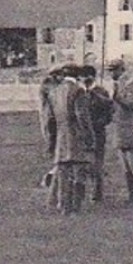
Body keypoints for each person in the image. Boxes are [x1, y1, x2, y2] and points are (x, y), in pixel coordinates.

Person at [49, 67, 96, 214]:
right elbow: (82, 116)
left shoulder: (55, 92)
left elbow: (51, 118)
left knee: (63, 173)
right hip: (76, 136)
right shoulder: (78, 91)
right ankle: (76, 207)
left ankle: (64, 206)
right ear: (78, 76)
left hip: (61, 137)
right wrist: (89, 136)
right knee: (78, 173)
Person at [108, 58, 133, 204]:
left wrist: (117, 98)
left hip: (131, 127)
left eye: (113, 71)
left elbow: (132, 104)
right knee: (125, 164)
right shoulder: (117, 84)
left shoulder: (131, 84)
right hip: (120, 128)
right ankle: (132, 196)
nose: (111, 74)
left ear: (120, 69)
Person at [80, 66, 115, 204]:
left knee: (97, 163)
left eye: (86, 77)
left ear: (92, 77)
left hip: (98, 132)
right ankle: (82, 192)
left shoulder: (101, 92)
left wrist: (100, 123)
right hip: (83, 133)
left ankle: (97, 193)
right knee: (83, 163)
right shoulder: (80, 92)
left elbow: (109, 112)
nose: (84, 80)